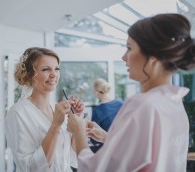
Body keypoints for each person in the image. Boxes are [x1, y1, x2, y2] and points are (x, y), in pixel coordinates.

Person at [67, 13, 195, 172]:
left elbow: (97, 169)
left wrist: (78, 131)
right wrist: (110, 139)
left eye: (129, 48)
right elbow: (151, 155)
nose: (123, 57)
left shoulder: (143, 104)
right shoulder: (174, 104)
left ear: (152, 58)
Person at [5, 47, 85, 172]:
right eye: (46, 69)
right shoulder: (17, 113)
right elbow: (29, 167)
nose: (53, 74)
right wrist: (55, 126)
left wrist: (76, 120)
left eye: (56, 69)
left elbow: (71, 156)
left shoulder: (57, 109)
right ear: (30, 75)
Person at [90, 78, 123, 153]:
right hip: (123, 145)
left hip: (108, 150)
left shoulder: (97, 111)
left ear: (96, 92)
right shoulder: (121, 104)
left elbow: (94, 139)